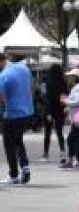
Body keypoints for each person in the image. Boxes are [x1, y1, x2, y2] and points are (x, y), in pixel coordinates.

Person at [0, 53, 35, 185]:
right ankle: (25, 168)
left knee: (9, 143)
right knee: (18, 140)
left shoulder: (4, 75)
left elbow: (1, 96)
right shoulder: (24, 69)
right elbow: (31, 88)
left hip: (12, 113)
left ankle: (14, 174)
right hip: (27, 112)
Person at [42, 64, 68, 165]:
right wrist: (65, 107)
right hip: (60, 110)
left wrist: (48, 112)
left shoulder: (48, 82)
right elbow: (65, 96)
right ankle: (62, 153)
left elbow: (47, 99)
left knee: (47, 133)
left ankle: (45, 153)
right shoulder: (63, 82)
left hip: (50, 110)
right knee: (59, 132)